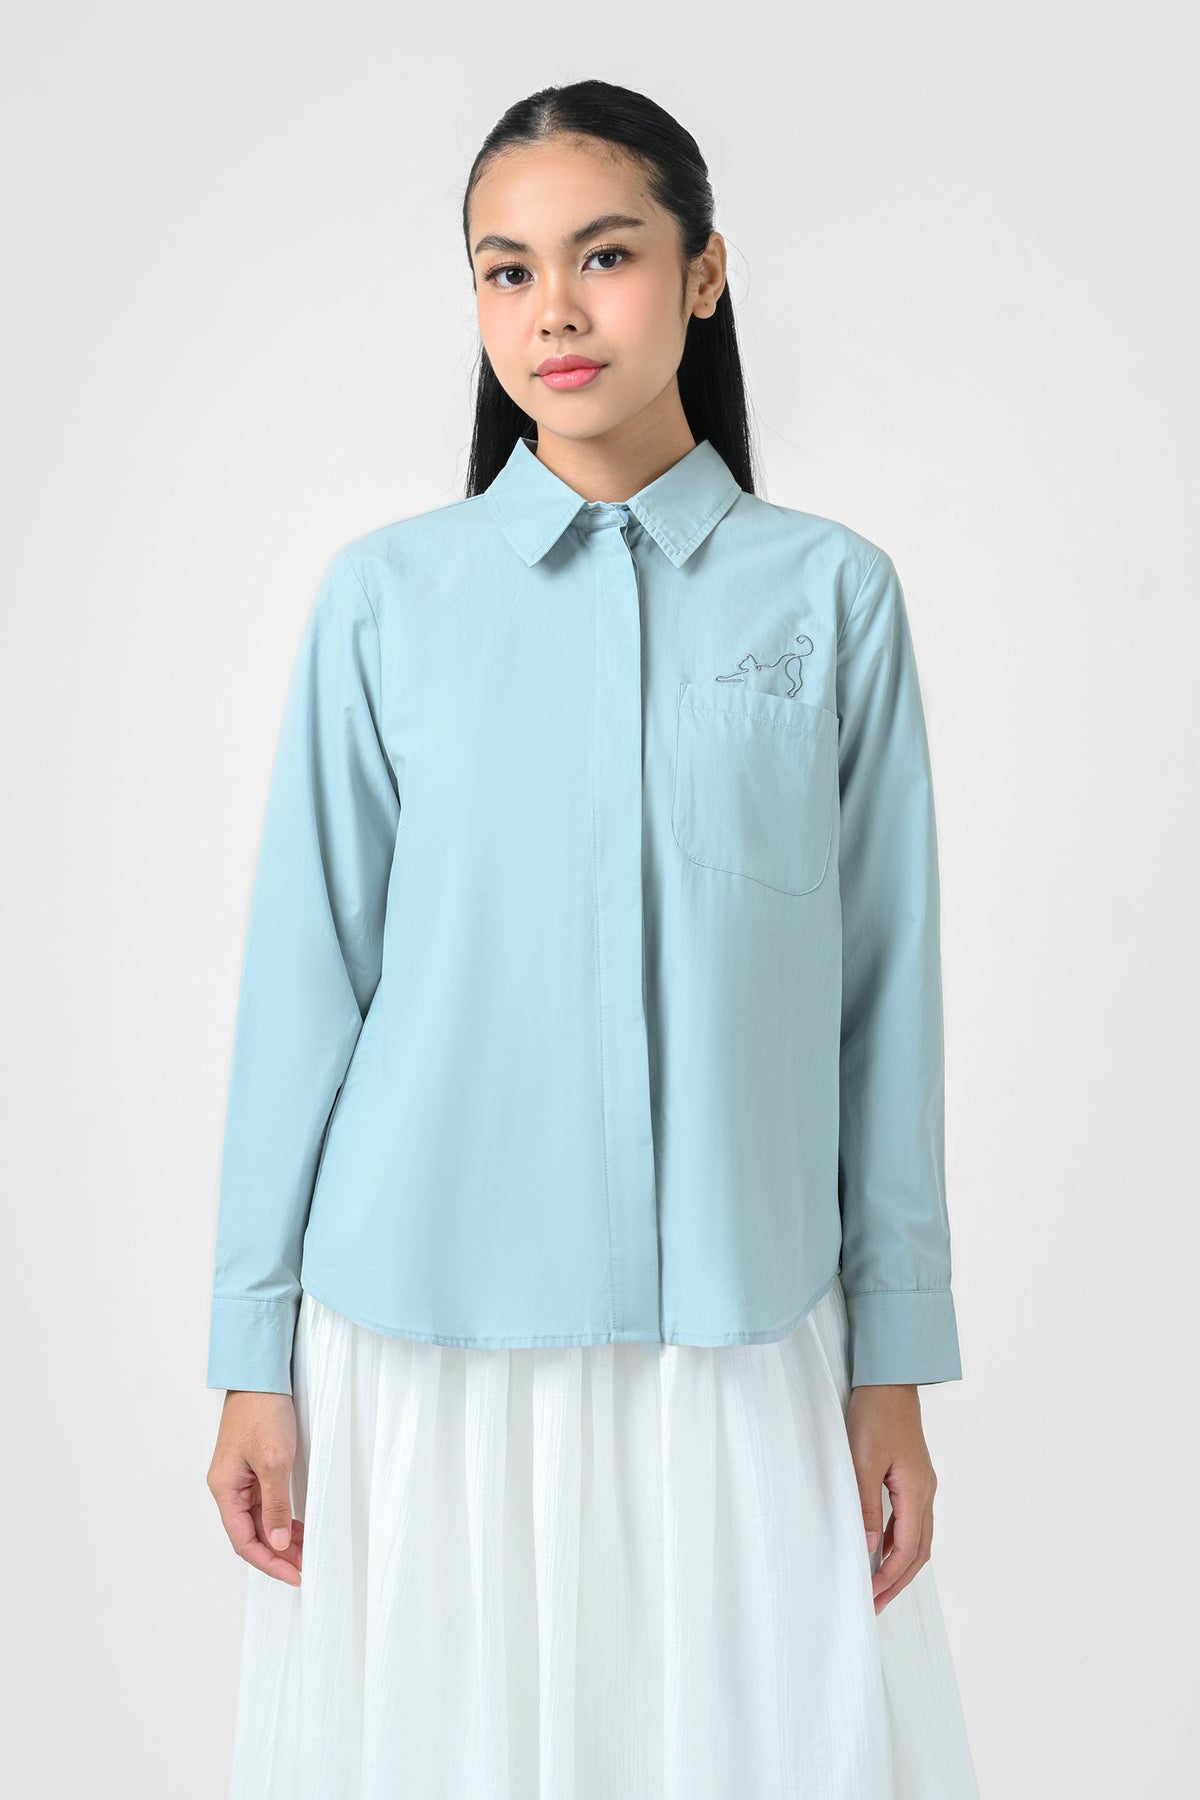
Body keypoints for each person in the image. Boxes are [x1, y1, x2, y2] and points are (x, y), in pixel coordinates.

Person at [205, 77, 980, 1799]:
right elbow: (305, 985)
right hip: (421, 1333)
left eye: (604, 256)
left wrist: (896, 1364)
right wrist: (251, 1355)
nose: (552, 309)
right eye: (506, 270)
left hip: (738, 1327)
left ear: (703, 275)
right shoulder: (385, 597)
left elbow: (885, 1001)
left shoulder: (833, 594)